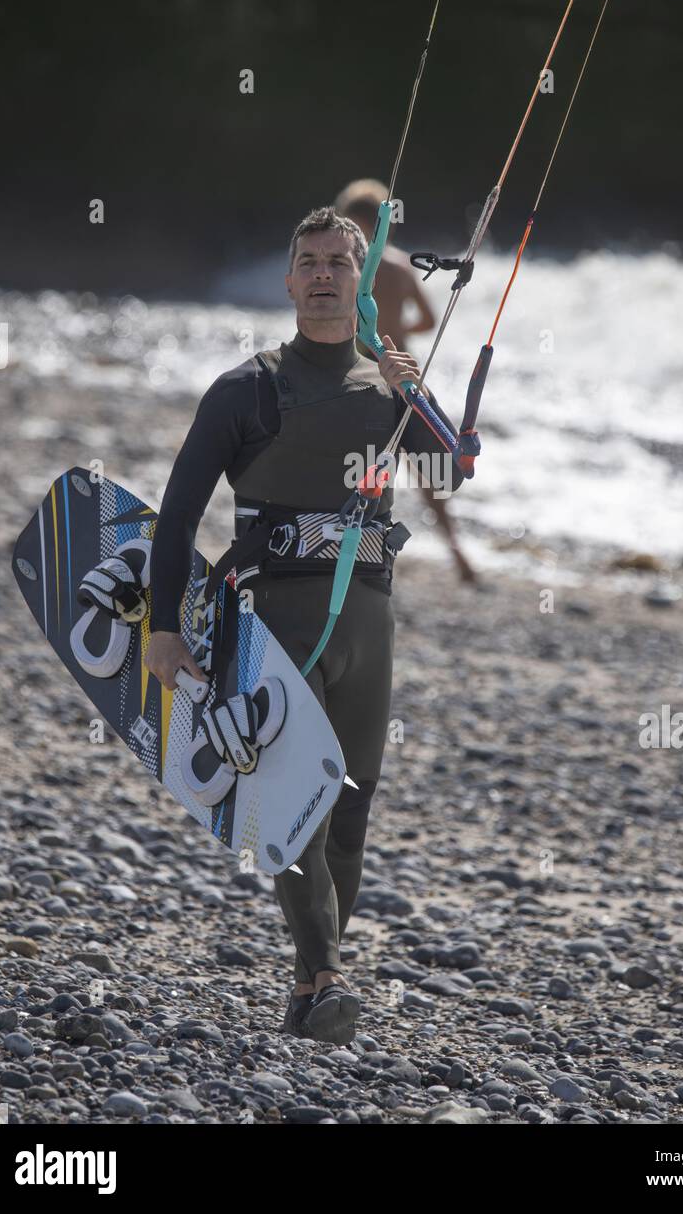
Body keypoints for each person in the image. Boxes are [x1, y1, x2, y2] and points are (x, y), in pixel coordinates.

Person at [144, 205, 467, 1044]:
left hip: (368, 614)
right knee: (297, 793)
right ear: (289, 281)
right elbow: (178, 519)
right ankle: (327, 974)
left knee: (353, 802)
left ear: (361, 283)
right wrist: (161, 628)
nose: (323, 274)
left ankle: (309, 984)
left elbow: (453, 470)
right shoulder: (245, 388)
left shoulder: (389, 391)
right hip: (271, 617)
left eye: (338, 262)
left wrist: (415, 392)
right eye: (309, 262)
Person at [335, 179, 477, 584]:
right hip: (407, 375)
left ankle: (356, 548)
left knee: (366, 468)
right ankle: (457, 552)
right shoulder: (400, 265)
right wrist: (399, 326)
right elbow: (431, 320)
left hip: (368, 373)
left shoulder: (351, 270)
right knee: (428, 468)